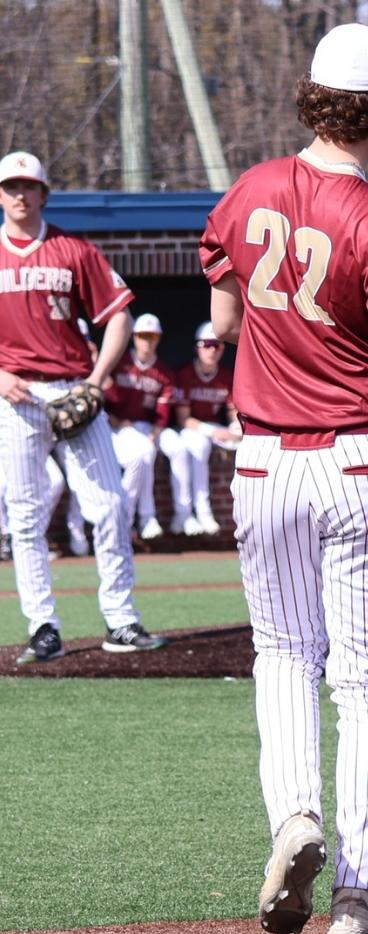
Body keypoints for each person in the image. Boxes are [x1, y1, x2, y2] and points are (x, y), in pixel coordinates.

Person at [201, 23, 368, 934]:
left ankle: (294, 821)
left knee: (282, 655)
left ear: (307, 94)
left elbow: (224, 308)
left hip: (265, 459)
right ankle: (357, 894)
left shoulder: (249, 191)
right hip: (363, 457)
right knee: (365, 683)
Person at [0, 149, 166, 664]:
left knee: (111, 504)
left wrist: (96, 382)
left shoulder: (73, 249)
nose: (19, 194)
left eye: (28, 186)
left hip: (74, 388)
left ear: (44, 194)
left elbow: (119, 317)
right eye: (10, 186)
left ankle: (120, 620)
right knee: (26, 517)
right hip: (17, 396)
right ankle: (43, 627)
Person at [159, 321, 240, 535]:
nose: (212, 349)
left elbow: (233, 411)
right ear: (197, 347)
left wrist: (235, 426)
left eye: (217, 345)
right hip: (189, 429)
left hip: (212, 426)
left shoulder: (225, 376)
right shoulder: (185, 374)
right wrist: (213, 432)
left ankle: (224, 513)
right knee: (198, 446)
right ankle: (197, 511)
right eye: (207, 344)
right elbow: (184, 419)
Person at [104, 312, 173, 541]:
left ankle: (132, 517)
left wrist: (155, 433)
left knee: (146, 451)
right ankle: (141, 516)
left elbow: (163, 412)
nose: (147, 341)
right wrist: (117, 422)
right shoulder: (118, 363)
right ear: (134, 337)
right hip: (116, 427)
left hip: (144, 428)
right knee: (142, 453)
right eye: (143, 335)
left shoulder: (163, 372)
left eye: (152, 336)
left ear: (159, 339)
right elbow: (103, 402)